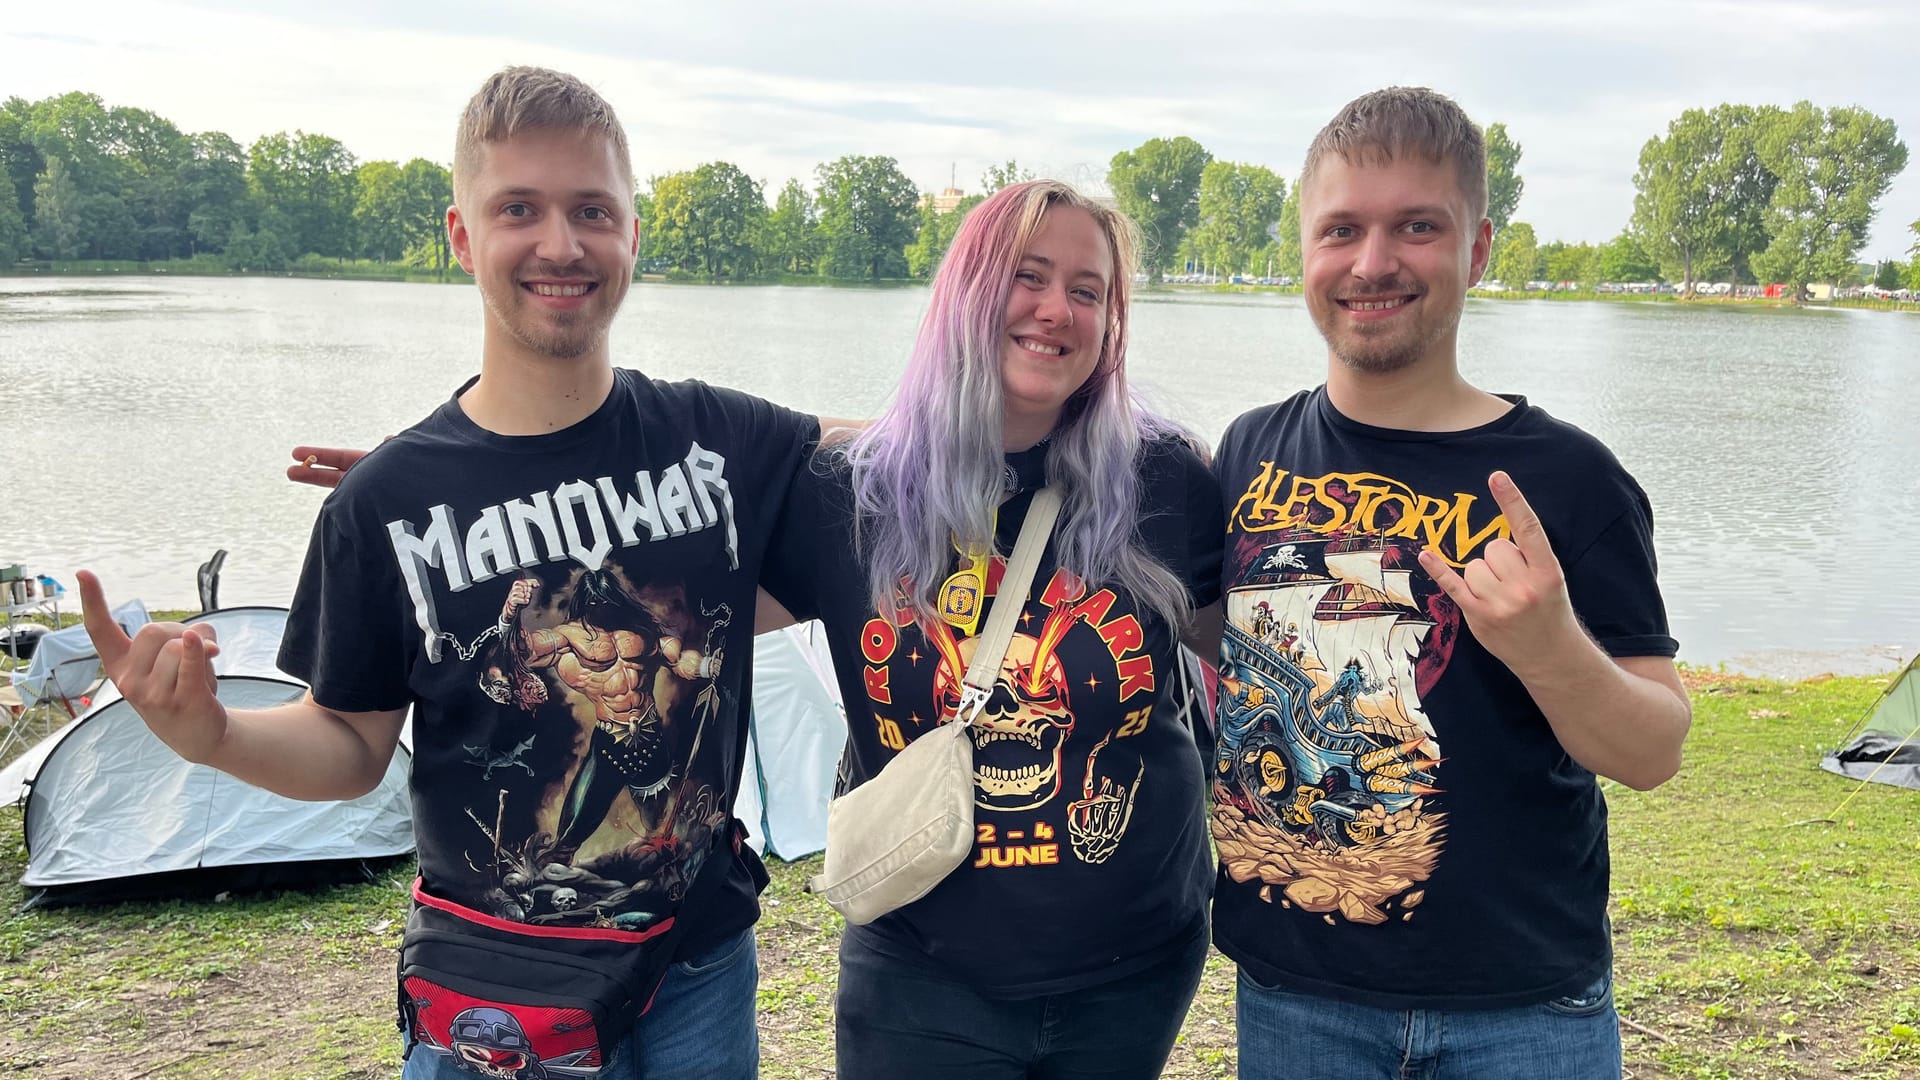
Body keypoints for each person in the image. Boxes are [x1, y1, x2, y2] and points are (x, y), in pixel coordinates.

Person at [79, 66, 820, 1080]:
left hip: (698, 974)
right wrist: (210, 734)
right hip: (501, 1006)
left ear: (633, 234)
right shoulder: (385, 502)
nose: (561, 243)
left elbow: (907, 457)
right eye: (521, 208)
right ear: (463, 236)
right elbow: (348, 743)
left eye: (592, 210)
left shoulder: (720, 439)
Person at [1208, 86, 1691, 1080]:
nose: (1373, 262)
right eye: (1341, 229)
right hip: (1295, 993)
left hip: (1521, 1009)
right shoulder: (1249, 450)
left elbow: (1651, 753)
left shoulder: (1569, 478)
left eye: (1416, 227)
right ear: (1302, 250)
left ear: (1475, 251)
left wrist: (1551, 648)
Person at [759, 180, 1225, 1079]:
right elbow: (681, 615)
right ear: (965, 294)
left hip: (1136, 967)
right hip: (919, 974)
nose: (1058, 310)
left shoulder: (1164, 479)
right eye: (1029, 276)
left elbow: (1249, 646)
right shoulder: (846, 493)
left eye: (1089, 292)